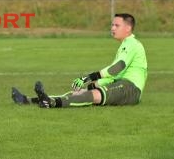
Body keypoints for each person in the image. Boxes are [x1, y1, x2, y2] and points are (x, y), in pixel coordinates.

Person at [12, 13, 147, 108]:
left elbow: (117, 68)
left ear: (128, 28)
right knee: (81, 92)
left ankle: (52, 103)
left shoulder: (132, 44)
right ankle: (28, 100)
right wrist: (93, 83)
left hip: (131, 89)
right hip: (120, 84)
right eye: (112, 25)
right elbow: (116, 74)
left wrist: (88, 77)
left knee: (93, 94)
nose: (112, 28)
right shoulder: (126, 44)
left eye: (117, 25)